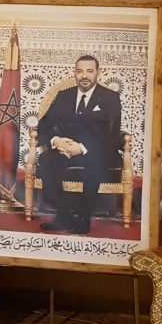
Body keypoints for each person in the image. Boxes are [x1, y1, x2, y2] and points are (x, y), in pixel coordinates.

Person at [38, 55, 125, 234]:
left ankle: (83, 218)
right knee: (46, 160)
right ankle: (63, 215)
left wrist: (83, 148)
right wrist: (56, 141)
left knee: (93, 163)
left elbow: (112, 133)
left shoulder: (110, 97)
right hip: (65, 149)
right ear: (75, 73)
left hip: (97, 151)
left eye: (89, 71)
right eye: (80, 71)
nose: (84, 75)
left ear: (98, 73)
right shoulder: (64, 96)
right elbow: (44, 124)